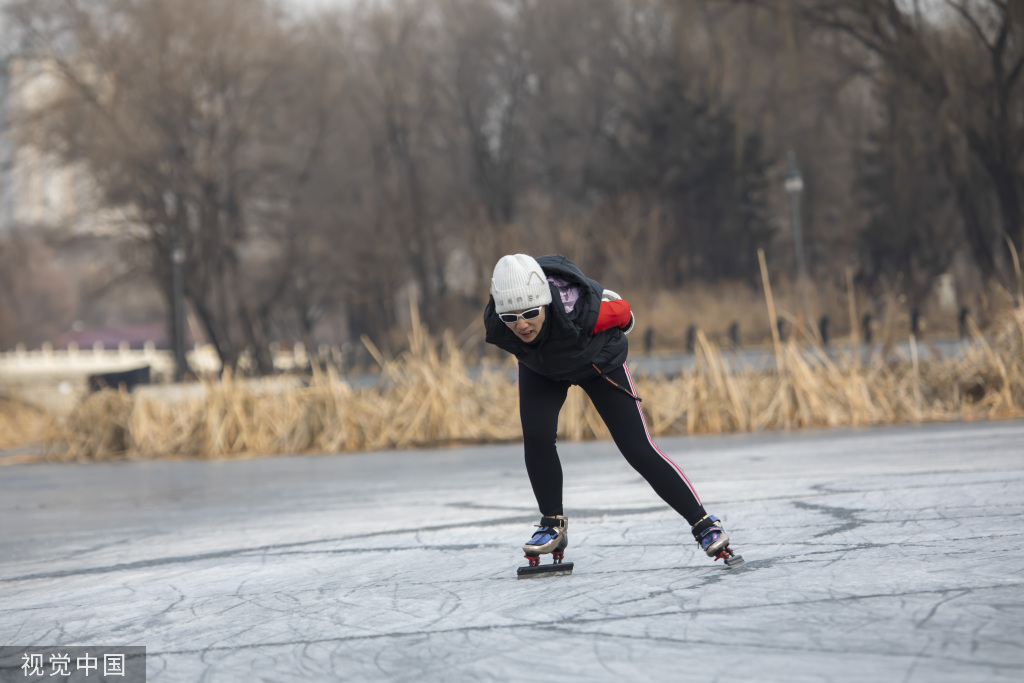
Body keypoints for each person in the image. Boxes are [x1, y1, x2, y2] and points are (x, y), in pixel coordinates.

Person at [483, 253, 738, 568]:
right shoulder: (498, 324)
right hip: (543, 369)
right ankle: (552, 524)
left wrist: (615, 310)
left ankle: (704, 524)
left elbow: (626, 314)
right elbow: (518, 330)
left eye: (531, 313)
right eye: (511, 317)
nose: (521, 325)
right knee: (536, 437)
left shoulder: (579, 312)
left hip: (597, 363)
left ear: (544, 303)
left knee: (637, 448)